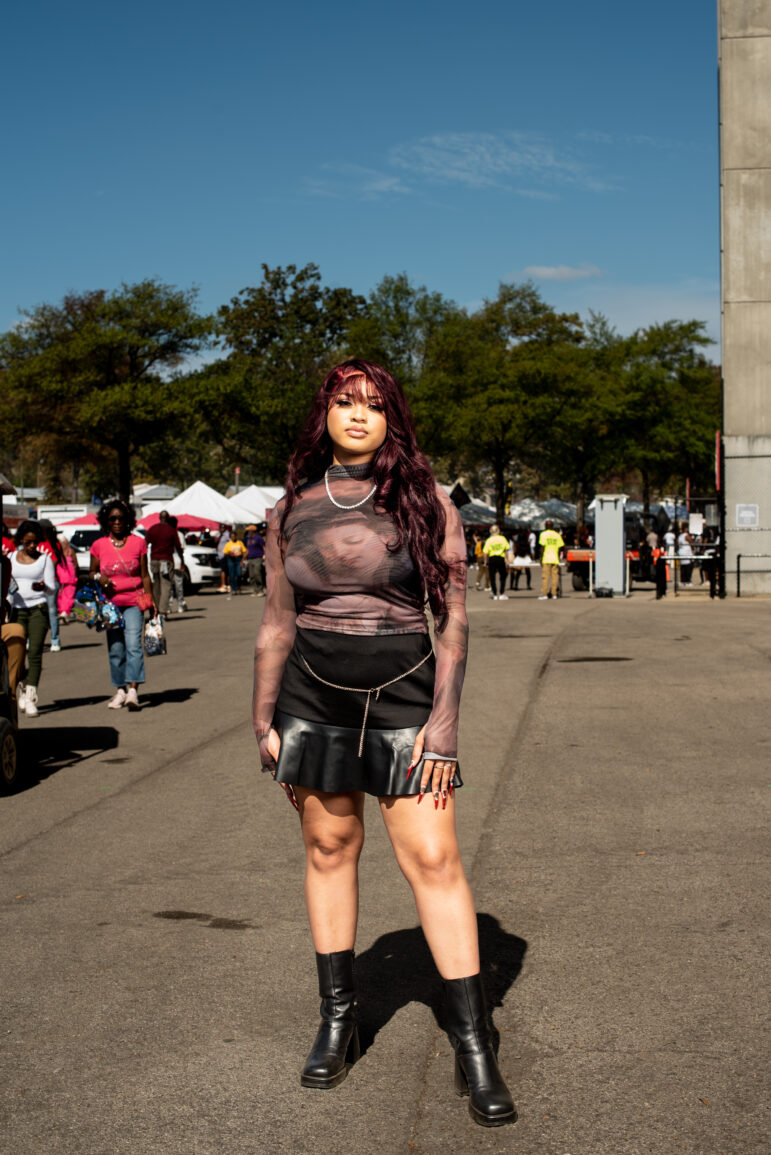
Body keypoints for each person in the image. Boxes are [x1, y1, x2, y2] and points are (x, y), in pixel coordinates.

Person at [253, 359, 516, 1127]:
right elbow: (275, 620)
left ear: (391, 414)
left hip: (405, 698)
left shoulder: (426, 501)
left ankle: (474, 1040)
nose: (358, 415)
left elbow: (455, 625)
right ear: (324, 413)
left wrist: (444, 725)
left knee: (433, 858)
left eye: (372, 404)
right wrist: (262, 716)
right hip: (310, 696)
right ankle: (340, 1018)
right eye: (345, 402)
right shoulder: (288, 509)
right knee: (329, 848)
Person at [90, 500, 156, 711]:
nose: (117, 522)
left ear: (128, 520)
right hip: (110, 605)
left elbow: (145, 575)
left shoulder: (138, 543)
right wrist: (99, 577)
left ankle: (133, 690)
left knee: (133, 645)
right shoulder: (99, 545)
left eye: (121, 518)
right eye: (113, 518)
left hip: (134, 602)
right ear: (106, 522)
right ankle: (120, 690)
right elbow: (91, 572)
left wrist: (151, 599)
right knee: (116, 649)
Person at [9, 521, 56, 717]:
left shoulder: (44, 560)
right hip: (16, 610)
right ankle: (21, 686)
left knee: (35, 652)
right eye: (28, 542)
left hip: (38, 608)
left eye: (35, 542)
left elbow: (53, 588)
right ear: (21, 540)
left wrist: (43, 587)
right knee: (16, 655)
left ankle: (30, 696)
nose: (32, 546)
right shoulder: (11, 557)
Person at [145, 511, 184, 616]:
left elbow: (145, 543)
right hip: (166, 561)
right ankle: (162, 611)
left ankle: (155, 609)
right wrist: (182, 561)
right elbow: (178, 547)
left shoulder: (153, 529)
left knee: (156, 585)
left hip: (154, 561)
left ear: (159, 518)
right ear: (168, 518)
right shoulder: (171, 530)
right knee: (166, 585)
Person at [166, 515, 188, 613]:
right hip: (175, 561)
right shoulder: (179, 534)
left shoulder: (176, 534)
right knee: (178, 586)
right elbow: (181, 550)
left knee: (170, 586)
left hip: (170, 562)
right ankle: (177, 605)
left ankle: (172, 606)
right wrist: (183, 563)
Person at [538, 520, 564, 600]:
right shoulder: (557, 535)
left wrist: (541, 558)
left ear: (545, 526)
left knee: (545, 577)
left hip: (546, 558)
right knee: (555, 577)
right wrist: (558, 556)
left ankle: (544, 594)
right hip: (555, 558)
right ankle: (554, 594)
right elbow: (560, 547)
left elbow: (542, 547)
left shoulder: (543, 534)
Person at [482, 525, 510, 601]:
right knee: (503, 577)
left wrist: (485, 561)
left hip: (492, 559)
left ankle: (494, 594)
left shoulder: (489, 540)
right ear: (498, 531)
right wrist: (507, 559)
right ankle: (501, 593)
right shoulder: (503, 539)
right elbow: (506, 550)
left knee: (492, 577)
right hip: (500, 558)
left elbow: (485, 552)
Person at [56, 535, 79, 622]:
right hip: (66, 577)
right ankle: (63, 611)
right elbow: (76, 564)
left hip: (66, 577)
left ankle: (64, 611)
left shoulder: (67, 551)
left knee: (64, 595)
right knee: (64, 595)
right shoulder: (66, 551)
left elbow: (76, 564)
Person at [244, 524, 266, 596]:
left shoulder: (258, 538)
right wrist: (243, 558)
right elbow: (248, 549)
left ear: (252, 531)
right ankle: (255, 590)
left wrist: (265, 556)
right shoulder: (249, 538)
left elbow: (263, 547)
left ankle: (260, 590)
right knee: (251, 576)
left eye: (249, 531)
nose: (248, 532)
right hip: (250, 558)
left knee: (257, 574)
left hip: (258, 558)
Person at [223, 530, 247, 596]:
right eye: (231, 536)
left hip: (238, 559)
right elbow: (225, 552)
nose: (233, 537)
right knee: (231, 575)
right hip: (231, 559)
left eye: (234, 536)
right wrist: (229, 554)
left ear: (236, 536)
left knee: (239, 574)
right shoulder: (228, 544)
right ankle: (233, 589)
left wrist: (243, 560)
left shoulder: (240, 542)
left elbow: (245, 551)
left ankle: (238, 587)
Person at [216, 524, 231, 592]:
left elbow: (231, 542)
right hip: (221, 555)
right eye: (220, 528)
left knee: (224, 570)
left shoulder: (227, 534)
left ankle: (224, 585)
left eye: (223, 528)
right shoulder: (221, 535)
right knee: (226, 571)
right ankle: (227, 585)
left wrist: (228, 552)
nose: (221, 529)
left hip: (224, 555)